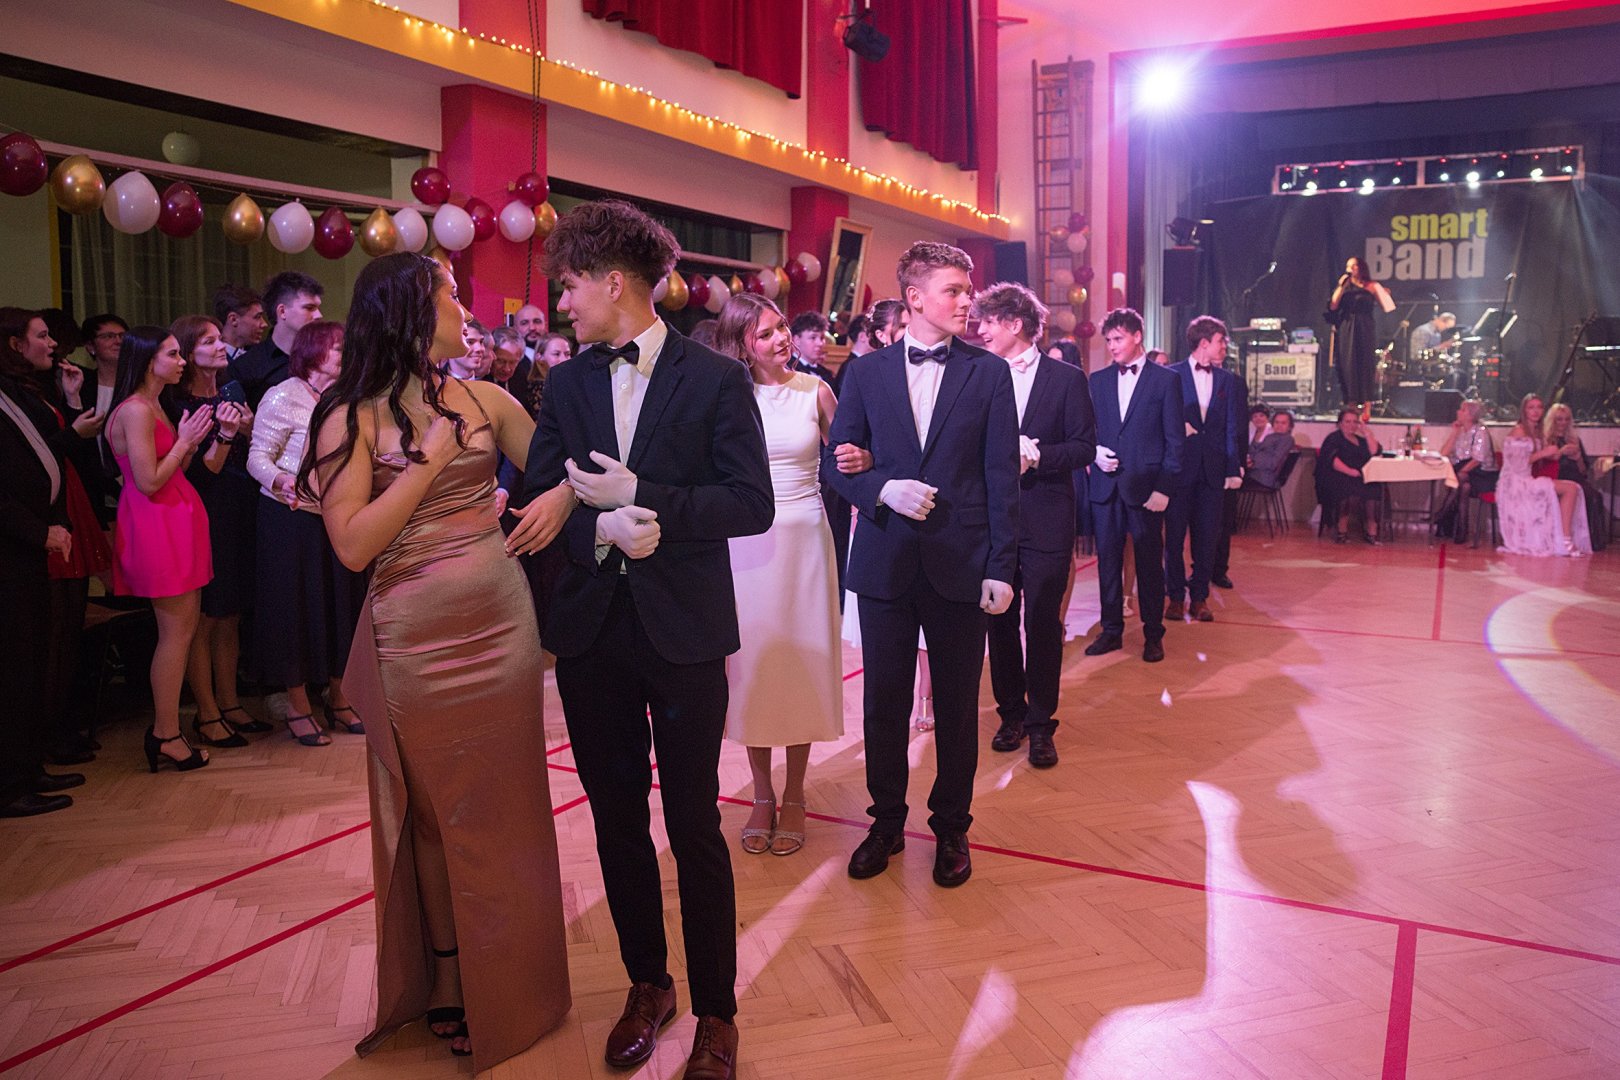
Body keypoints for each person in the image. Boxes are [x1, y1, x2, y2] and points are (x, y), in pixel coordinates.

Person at [519, 199, 773, 1080]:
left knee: (694, 822)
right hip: (593, 633)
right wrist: (596, 527)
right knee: (617, 821)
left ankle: (717, 1013)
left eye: (569, 286)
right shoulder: (569, 384)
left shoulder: (716, 379)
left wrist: (647, 497)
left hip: (685, 632)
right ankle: (647, 983)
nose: (562, 305)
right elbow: (539, 494)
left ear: (614, 281)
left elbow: (751, 502)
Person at [302, 253, 574, 1070]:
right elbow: (353, 546)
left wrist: (558, 496)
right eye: (452, 294)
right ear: (411, 312)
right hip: (413, 636)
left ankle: (517, 979)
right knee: (433, 813)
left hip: (501, 625)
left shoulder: (486, 398)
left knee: (509, 802)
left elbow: (569, 464)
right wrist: (423, 465)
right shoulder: (347, 415)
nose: (467, 307)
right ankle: (450, 975)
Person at [824, 240, 1018, 890]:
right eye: (954, 290)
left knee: (958, 708)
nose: (968, 301)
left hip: (961, 561)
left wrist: (1001, 566)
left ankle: (952, 827)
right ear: (914, 298)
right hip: (885, 561)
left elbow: (1001, 477)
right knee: (882, 704)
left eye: (968, 290)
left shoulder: (988, 373)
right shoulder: (865, 373)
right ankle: (885, 824)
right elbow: (836, 463)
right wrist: (881, 487)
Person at [714, 293, 858, 857]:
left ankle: (795, 792)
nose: (782, 339)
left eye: (782, 328)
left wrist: (865, 461)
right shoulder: (730, 396)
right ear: (742, 345)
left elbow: (846, 458)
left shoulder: (815, 391)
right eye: (767, 333)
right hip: (746, 545)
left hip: (806, 544)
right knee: (753, 667)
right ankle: (762, 793)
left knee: (800, 662)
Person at [107, 327, 246, 772]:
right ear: (149, 361)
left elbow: (177, 469)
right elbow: (148, 481)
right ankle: (165, 733)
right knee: (175, 635)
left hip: (176, 520)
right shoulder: (134, 410)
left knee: (183, 632)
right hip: (157, 525)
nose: (182, 360)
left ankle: (168, 731)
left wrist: (197, 440)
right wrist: (185, 442)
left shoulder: (155, 405)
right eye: (172, 354)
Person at [976, 282, 1095, 769]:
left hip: (1047, 519)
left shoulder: (1067, 379)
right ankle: (1011, 715)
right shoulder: (978, 374)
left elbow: (1084, 448)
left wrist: (1039, 455)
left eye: (988, 322)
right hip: (991, 520)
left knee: (1043, 622)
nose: (981, 330)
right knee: (999, 620)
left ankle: (1042, 724)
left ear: (1015, 323)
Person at [0, 308, 103, 814]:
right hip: (12, 548)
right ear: (14, 344)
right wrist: (39, 530)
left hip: (30, 546)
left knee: (31, 660)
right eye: (41, 336)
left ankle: (25, 767)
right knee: (15, 665)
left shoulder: (20, 392)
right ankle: (9, 785)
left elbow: (42, 457)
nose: (52, 343)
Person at [247, 320, 366, 746]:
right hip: (290, 518)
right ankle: (298, 706)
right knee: (294, 610)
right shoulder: (283, 395)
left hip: (337, 515)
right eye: (338, 347)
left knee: (340, 607)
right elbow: (257, 457)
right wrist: (281, 480)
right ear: (313, 352)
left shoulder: (348, 397)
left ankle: (339, 699)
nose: (346, 353)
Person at [164, 315, 265, 743]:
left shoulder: (232, 390)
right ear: (189, 353)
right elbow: (200, 477)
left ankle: (230, 703)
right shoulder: (177, 404)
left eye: (219, 339)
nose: (220, 346)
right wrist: (225, 435)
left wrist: (250, 428)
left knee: (231, 614)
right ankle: (206, 713)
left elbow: (257, 449)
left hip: (240, 508)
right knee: (205, 617)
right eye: (208, 341)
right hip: (204, 511)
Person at [1085, 308, 1183, 663]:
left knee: (1149, 565)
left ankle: (1153, 634)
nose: (1112, 346)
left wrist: (1164, 489)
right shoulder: (1097, 380)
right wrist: (1095, 453)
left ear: (1137, 336)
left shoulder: (1166, 380)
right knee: (1107, 564)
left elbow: (1175, 441)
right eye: (1108, 340)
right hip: (1105, 486)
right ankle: (1111, 630)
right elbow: (1088, 431)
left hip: (1146, 488)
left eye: (1118, 338)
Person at [1163, 317, 1243, 623]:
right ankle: (1174, 597)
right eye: (1221, 341)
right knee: (1173, 539)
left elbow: (1231, 427)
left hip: (1213, 470)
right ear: (1204, 343)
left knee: (1207, 538)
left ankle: (1199, 597)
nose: (1225, 346)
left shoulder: (1227, 381)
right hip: (1179, 469)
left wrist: (1232, 468)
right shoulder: (1171, 375)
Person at [1496, 394, 1590, 557]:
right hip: (1514, 483)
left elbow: (1551, 456)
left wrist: (1566, 451)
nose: (1536, 411)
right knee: (1570, 489)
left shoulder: (1537, 432)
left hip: (1527, 479)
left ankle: (1565, 539)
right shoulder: (1519, 430)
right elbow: (1518, 464)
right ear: (1524, 410)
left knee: (1573, 487)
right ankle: (1565, 541)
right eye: (1531, 407)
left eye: (1539, 407)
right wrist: (1543, 453)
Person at [228, 270, 324, 410]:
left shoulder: (326, 358)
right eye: (309, 308)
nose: (318, 315)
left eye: (318, 307)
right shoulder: (246, 367)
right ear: (282, 311)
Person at [1325, 256, 1393, 417]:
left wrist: (1383, 293)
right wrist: (1341, 286)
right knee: (1348, 364)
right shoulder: (1345, 287)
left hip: (1365, 326)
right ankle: (1351, 404)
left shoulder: (1372, 285)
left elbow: (1388, 306)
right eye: (1348, 266)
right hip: (1347, 327)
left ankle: (1367, 405)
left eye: (1353, 265)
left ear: (1361, 267)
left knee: (1365, 363)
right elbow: (1333, 305)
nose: (1350, 269)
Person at [1540, 402, 1605, 552]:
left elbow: (1583, 471)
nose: (1563, 423)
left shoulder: (1574, 440)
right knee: (1582, 494)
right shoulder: (1546, 440)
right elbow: (1544, 464)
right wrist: (1561, 452)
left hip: (1576, 477)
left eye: (1566, 419)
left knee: (1595, 496)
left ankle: (1594, 542)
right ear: (1552, 420)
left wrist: (1578, 458)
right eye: (1559, 419)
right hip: (1557, 477)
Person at [1316, 408, 1382, 544]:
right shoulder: (1334, 438)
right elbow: (1332, 460)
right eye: (1347, 421)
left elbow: (1375, 452)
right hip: (1339, 476)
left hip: (1361, 477)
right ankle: (1342, 531)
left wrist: (1368, 434)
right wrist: (1350, 471)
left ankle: (1372, 532)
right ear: (1340, 423)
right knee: (1347, 489)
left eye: (1355, 422)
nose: (1351, 425)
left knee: (1374, 489)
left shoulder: (1361, 440)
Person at [1435, 400, 1496, 543]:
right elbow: (1444, 453)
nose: (1458, 412)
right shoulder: (1461, 432)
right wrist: (1454, 433)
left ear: (1470, 415)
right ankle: (1462, 531)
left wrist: (1457, 476)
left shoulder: (1481, 431)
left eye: (1462, 410)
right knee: (1464, 487)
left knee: (1459, 479)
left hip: (1482, 474)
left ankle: (1440, 514)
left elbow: (1477, 460)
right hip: (1466, 475)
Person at [212, 283, 268, 363]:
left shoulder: (262, 356)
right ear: (233, 319)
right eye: (257, 317)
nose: (264, 324)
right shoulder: (211, 361)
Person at [1248, 410, 1297, 489]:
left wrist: (1253, 463)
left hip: (1264, 477)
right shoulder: (1270, 437)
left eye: (1283, 423)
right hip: (1256, 473)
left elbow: (1273, 463)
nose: (1279, 425)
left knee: (1231, 479)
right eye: (1276, 422)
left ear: (1290, 426)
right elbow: (1256, 452)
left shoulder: (1286, 439)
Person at [789, 311, 836, 384]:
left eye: (822, 338)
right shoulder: (787, 370)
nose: (820, 343)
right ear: (797, 340)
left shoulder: (827, 374)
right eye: (813, 337)